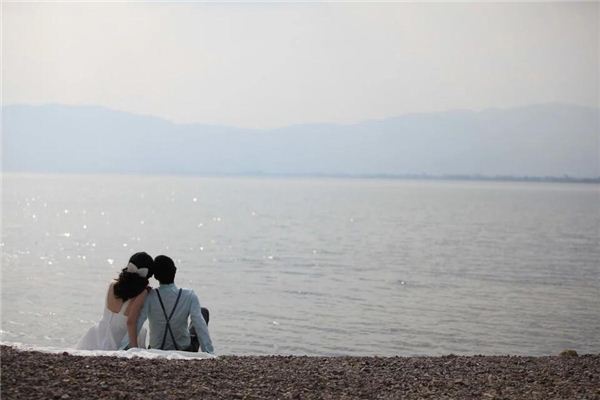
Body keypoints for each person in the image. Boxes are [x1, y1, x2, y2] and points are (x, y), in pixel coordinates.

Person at [136, 255, 214, 353]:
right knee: (203, 312)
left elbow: (138, 322)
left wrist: (127, 347)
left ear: (155, 276)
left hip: (156, 349)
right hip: (184, 350)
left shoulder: (149, 296)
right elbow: (200, 326)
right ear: (175, 270)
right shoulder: (189, 295)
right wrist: (209, 353)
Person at [76, 252, 153, 350]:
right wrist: (134, 349)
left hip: (96, 336)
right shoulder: (142, 293)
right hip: (119, 340)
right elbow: (131, 322)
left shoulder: (113, 284)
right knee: (141, 331)